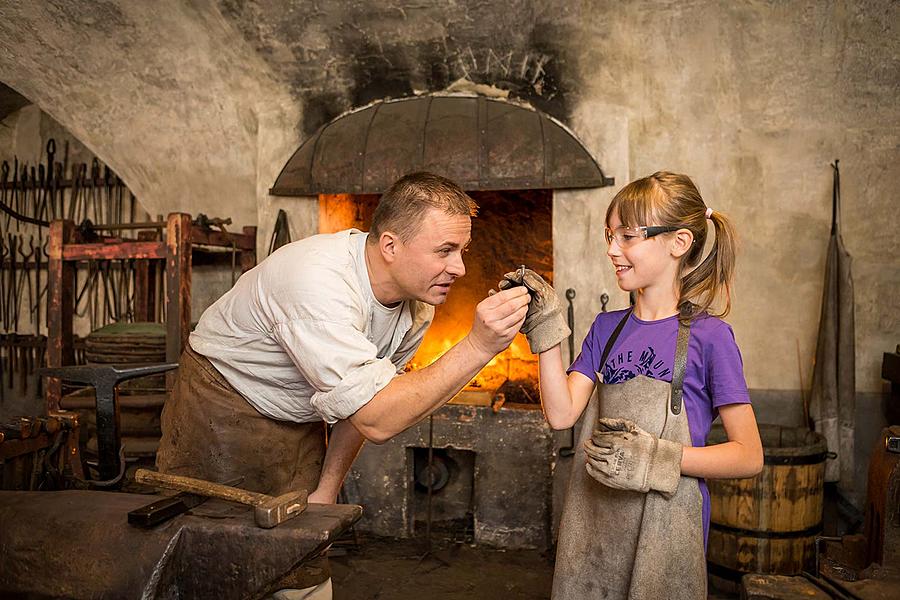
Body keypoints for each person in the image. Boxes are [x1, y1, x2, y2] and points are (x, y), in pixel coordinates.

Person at [155, 172, 530, 599]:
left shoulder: (416, 306)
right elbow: (377, 417)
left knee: (301, 565)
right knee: (213, 564)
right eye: (444, 251)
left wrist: (327, 489)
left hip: (299, 417)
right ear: (390, 245)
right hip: (220, 407)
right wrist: (479, 346)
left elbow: (362, 406)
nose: (459, 268)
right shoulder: (316, 283)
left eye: (462, 251)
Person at [500, 171, 763, 599]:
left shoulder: (710, 337)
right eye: (609, 236)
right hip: (596, 527)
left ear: (678, 243)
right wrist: (546, 329)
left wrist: (660, 457)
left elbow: (748, 456)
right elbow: (562, 413)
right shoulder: (607, 329)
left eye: (626, 237)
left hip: (667, 530)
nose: (611, 250)